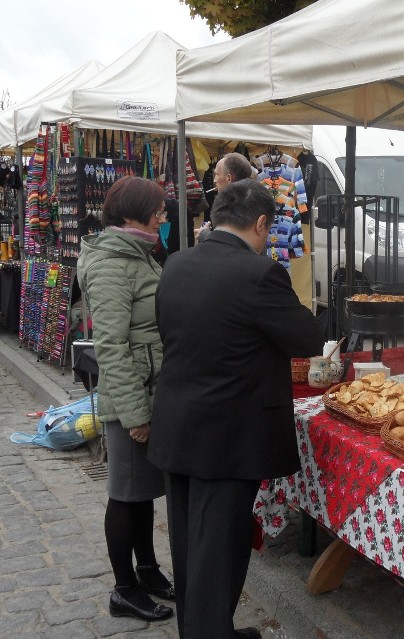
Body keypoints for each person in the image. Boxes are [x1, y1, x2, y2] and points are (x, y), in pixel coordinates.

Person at [148, 178, 324, 639]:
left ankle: (207, 629)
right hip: (227, 435)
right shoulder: (259, 273)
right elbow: (306, 338)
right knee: (219, 550)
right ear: (262, 222)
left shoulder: (178, 263)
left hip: (179, 422)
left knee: (190, 545)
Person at [76, 176, 174, 624]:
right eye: (157, 209)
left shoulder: (136, 253)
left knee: (141, 496)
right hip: (129, 400)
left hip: (147, 392)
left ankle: (148, 571)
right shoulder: (113, 262)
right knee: (126, 497)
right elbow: (111, 345)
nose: (163, 216)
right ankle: (124, 590)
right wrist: (135, 415)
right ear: (133, 213)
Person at [195, 152, 254, 243]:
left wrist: (204, 234)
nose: (214, 180)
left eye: (217, 175)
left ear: (229, 178)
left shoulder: (233, 205)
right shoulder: (253, 199)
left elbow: (229, 243)